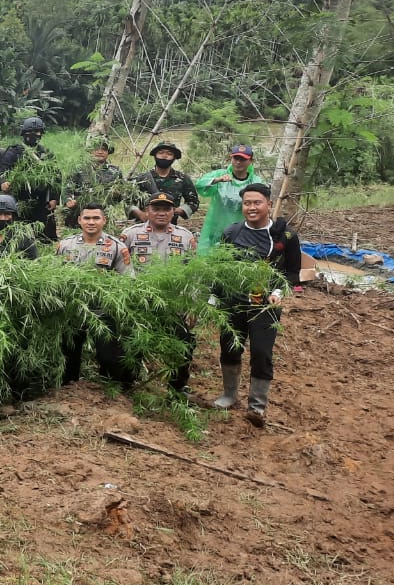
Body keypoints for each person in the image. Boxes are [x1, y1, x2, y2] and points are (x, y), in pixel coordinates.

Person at [214, 183, 302, 427]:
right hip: (233, 303)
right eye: (247, 203)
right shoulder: (232, 232)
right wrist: (214, 297)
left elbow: (292, 272)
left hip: (265, 306)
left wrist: (277, 291)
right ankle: (229, 395)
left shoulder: (285, 237)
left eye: (257, 203)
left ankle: (257, 406)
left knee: (262, 353)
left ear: (269, 205)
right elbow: (219, 268)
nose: (251, 207)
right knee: (230, 347)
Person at [120, 192, 198, 392]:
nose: (161, 213)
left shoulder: (185, 236)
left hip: (173, 304)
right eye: (156, 209)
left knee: (183, 345)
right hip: (139, 302)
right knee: (133, 343)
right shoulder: (130, 234)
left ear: (173, 212)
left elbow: (193, 273)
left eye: (166, 209)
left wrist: (192, 303)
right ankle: (126, 385)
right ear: (147, 210)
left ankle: (178, 388)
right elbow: (119, 266)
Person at [56, 203, 135, 386]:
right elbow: (54, 276)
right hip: (73, 311)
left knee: (109, 357)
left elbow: (127, 280)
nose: (91, 222)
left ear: (104, 220)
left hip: (103, 312)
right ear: (79, 220)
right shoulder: (65, 245)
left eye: (96, 218)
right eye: (87, 218)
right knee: (69, 356)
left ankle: (113, 391)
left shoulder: (117, 247)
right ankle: (69, 391)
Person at [0, 116, 60, 242]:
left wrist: (54, 198)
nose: (35, 135)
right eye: (31, 132)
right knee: (18, 236)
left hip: (42, 201)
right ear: (24, 133)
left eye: (38, 132)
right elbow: (2, 170)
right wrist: (3, 182)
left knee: (46, 238)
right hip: (20, 200)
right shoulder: (14, 151)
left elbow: (56, 177)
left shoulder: (46, 153)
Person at [195, 144, 264, 253]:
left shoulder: (256, 181)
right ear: (231, 158)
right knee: (213, 255)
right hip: (217, 228)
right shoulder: (220, 174)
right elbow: (199, 185)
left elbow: (263, 205)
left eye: (242, 159)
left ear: (250, 161)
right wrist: (217, 180)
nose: (238, 162)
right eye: (236, 158)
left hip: (244, 230)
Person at [127, 141, 198, 224]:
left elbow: (193, 202)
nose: (164, 156)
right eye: (161, 153)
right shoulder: (141, 178)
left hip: (170, 226)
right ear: (155, 155)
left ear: (174, 158)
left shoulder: (182, 179)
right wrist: (140, 214)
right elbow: (128, 202)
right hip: (143, 226)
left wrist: (176, 210)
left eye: (169, 154)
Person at [64, 137, 123, 228]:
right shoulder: (78, 169)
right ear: (90, 151)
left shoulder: (115, 171)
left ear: (108, 152)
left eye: (104, 149)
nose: (100, 152)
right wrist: (68, 201)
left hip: (104, 214)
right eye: (96, 149)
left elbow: (122, 194)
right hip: (79, 214)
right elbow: (67, 189)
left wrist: (117, 194)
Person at [0, 194, 40, 262]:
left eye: (7, 214)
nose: (2, 218)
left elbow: (34, 262)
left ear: (13, 217)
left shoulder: (23, 237)